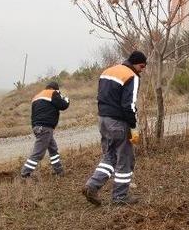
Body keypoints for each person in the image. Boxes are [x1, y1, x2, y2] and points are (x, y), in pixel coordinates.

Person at [81, 50, 147, 206]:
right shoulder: (132, 76)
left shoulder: (108, 71)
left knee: (110, 156)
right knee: (125, 159)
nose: (142, 69)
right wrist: (133, 126)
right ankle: (120, 197)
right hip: (118, 122)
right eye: (142, 66)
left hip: (103, 119)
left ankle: (92, 186)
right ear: (136, 63)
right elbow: (129, 105)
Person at [21, 81, 70, 179]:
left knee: (53, 149)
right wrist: (66, 99)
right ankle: (25, 173)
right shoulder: (53, 93)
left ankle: (59, 171)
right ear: (55, 89)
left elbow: (33, 114)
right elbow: (63, 105)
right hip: (46, 128)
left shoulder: (36, 96)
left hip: (37, 127)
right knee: (38, 153)